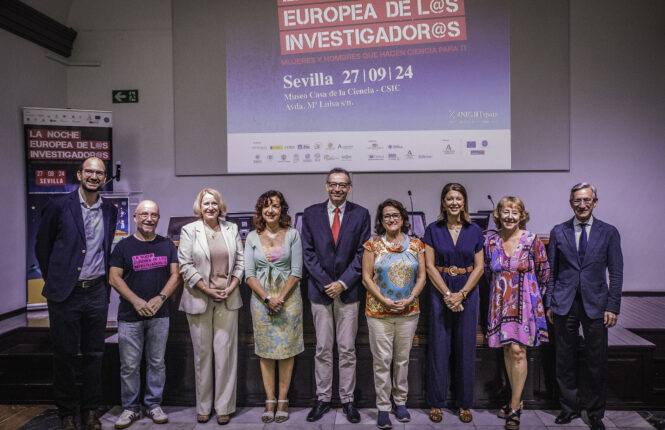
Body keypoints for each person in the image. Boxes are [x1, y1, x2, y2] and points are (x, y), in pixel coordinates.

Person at [35, 157, 118, 430]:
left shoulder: (110, 209)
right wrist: (58, 279)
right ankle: (67, 413)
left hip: (96, 292)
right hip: (65, 294)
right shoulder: (59, 205)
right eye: (90, 171)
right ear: (80, 174)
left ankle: (90, 410)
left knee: (95, 354)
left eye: (99, 173)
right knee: (65, 355)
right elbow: (42, 246)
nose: (94, 176)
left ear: (105, 177)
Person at [545, 183, 623, 430]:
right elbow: (551, 272)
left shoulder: (609, 232)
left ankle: (595, 412)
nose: (582, 205)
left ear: (595, 202)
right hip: (564, 303)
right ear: (571, 203)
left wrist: (613, 305)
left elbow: (616, 273)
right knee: (564, 358)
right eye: (577, 200)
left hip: (597, 305)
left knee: (596, 360)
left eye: (587, 200)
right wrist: (549, 302)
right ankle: (568, 408)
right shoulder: (559, 231)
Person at [301, 167, 371, 423]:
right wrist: (326, 283)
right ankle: (322, 399)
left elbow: (362, 253)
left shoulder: (361, 214)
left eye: (343, 185)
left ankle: (347, 400)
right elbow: (308, 253)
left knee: (347, 349)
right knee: (322, 348)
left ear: (349, 187)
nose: (338, 189)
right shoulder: (310, 214)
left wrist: (342, 282)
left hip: (349, 292)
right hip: (319, 292)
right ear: (326, 186)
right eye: (333, 184)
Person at [109, 200, 180, 429]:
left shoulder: (167, 245)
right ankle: (130, 408)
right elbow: (114, 278)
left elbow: (175, 276)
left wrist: (160, 299)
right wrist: (137, 301)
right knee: (129, 365)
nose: (149, 219)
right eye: (144, 214)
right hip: (130, 315)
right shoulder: (123, 247)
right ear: (135, 217)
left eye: (154, 215)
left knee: (157, 363)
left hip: (160, 314)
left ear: (158, 218)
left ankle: (153, 405)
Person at [178, 188, 245, 425]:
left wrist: (231, 286)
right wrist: (207, 290)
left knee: (225, 354)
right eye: (206, 203)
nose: (210, 207)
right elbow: (185, 265)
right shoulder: (189, 230)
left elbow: (240, 261)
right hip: (199, 298)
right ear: (199, 206)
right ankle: (204, 406)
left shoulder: (231, 229)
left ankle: (224, 406)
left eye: (214, 203)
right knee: (202, 355)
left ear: (220, 206)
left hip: (228, 297)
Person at [485, 196, 550, 430]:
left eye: (515, 212)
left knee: (518, 351)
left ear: (521, 215)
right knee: (507, 350)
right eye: (505, 212)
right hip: (500, 303)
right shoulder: (490, 242)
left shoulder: (532, 241)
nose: (510, 216)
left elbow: (544, 274)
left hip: (525, 304)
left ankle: (514, 406)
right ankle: (516, 399)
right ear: (498, 215)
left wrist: (535, 303)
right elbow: (486, 272)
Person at [423, 183, 485, 424]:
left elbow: (480, 267)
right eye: (450, 198)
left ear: (464, 202)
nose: (454, 202)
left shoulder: (475, 230)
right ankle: (436, 402)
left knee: (465, 347)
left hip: (468, 289)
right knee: (439, 347)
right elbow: (429, 266)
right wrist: (449, 294)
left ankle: (464, 403)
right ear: (443, 202)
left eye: (458, 198)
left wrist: (462, 294)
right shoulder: (432, 229)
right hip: (440, 290)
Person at [362, 199, 426, 430]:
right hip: (379, 312)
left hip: (409, 312)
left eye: (395, 215)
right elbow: (367, 278)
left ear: (403, 218)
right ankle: (383, 407)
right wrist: (385, 300)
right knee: (382, 361)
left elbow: (422, 278)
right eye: (386, 215)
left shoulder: (417, 244)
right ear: (380, 220)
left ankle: (400, 403)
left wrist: (409, 299)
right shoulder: (372, 244)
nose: (391, 219)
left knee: (402, 361)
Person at [244, 190, 304, 424]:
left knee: (286, 352)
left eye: (276, 206)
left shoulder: (293, 235)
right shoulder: (251, 237)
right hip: (261, 302)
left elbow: (297, 271)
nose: (271, 210)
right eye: (266, 206)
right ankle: (269, 400)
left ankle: (283, 400)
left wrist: (280, 298)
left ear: (282, 210)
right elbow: (249, 274)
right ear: (260, 210)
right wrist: (268, 299)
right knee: (266, 352)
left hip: (289, 301)